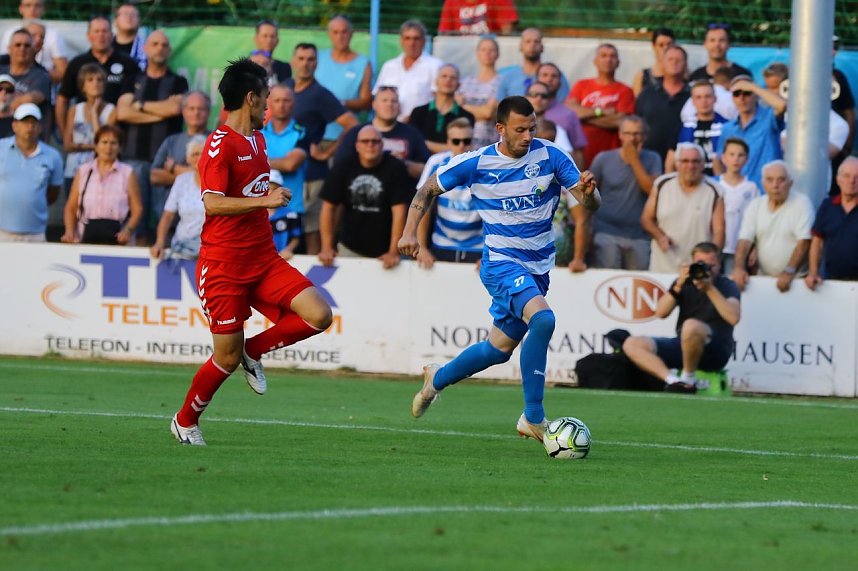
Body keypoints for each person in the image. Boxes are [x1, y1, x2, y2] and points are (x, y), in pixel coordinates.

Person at [397, 95, 600, 444]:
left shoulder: (551, 156)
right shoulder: (477, 162)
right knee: (544, 319)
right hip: (501, 262)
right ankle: (533, 417)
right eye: (520, 129)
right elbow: (428, 188)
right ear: (501, 129)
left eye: (532, 128)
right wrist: (408, 231)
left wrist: (589, 193)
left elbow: (589, 204)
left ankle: (437, 378)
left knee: (497, 349)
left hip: (538, 266)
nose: (527, 136)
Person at [170, 58, 333, 446]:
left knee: (319, 314)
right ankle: (185, 420)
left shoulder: (257, 140)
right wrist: (264, 202)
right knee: (225, 358)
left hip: (262, 258)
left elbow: (253, 192)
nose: (269, 106)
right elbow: (211, 203)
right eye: (265, 99)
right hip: (223, 265)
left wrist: (268, 196)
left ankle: (254, 351)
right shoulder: (217, 146)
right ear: (250, 98)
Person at [622, 241, 741, 393]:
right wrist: (678, 284)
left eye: (711, 266)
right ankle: (674, 381)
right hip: (683, 345)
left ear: (719, 265)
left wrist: (709, 288)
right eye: (701, 264)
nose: (706, 270)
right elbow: (660, 313)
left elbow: (733, 318)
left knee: (691, 326)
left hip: (715, 350)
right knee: (632, 343)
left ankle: (688, 379)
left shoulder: (726, 285)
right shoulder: (684, 283)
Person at [116, 30, 188, 242]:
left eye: (164, 45)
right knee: (136, 217)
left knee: (166, 216)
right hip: (133, 157)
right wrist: (160, 113)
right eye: (154, 44)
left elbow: (175, 109)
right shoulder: (132, 80)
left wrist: (140, 106)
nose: (159, 48)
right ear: (145, 49)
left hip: (166, 161)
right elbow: (122, 113)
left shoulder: (178, 81)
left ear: (169, 51)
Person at [287, 42, 358, 255]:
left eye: (310, 59)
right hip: (283, 174)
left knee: (311, 235)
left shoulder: (320, 94)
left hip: (311, 175)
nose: (305, 64)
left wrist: (328, 152)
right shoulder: (284, 88)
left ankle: (313, 285)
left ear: (316, 63)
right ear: (293, 60)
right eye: (301, 59)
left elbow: (352, 124)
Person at [318, 125, 411, 269]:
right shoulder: (343, 166)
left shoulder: (396, 168)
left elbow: (400, 213)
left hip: (387, 251)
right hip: (350, 248)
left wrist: (393, 252)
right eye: (365, 141)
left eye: (375, 141)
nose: (370, 145)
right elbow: (328, 207)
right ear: (357, 146)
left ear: (382, 145)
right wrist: (326, 247)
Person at [589, 115, 662, 270]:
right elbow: (590, 194)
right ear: (620, 135)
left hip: (639, 235)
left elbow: (651, 190)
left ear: (645, 136)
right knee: (606, 279)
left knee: (638, 282)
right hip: (606, 231)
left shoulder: (653, 159)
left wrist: (634, 161)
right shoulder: (603, 159)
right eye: (628, 133)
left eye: (637, 134)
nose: (632, 138)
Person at [731, 160, 813, 293]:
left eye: (781, 180)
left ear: (790, 183)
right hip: (763, 278)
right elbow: (744, 240)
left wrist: (789, 271)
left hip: (796, 280)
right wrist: (739, 268)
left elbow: (804, 241)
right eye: (770, 180)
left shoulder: (801, 203)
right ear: (763, 183)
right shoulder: (755, 205)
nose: (775, 185)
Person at [642, 143, 725, 273]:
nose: (690, 166)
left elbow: (719, 230)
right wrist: (659, 236)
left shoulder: (715, 190)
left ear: (703, 164)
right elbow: (646, 219)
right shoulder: (662, 184)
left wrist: (712, 261)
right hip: (663, 264)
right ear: (677, 163)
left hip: (698, 267)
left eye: (695, 161)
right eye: (685, 161)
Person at [413, 117, 481, 268]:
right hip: (442, 245)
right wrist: (422, 247)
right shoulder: (436, 163)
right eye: (456, 141)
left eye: (467, 140)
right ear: (448, 142)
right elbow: (423, 203)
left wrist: (492, 254)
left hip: (479, 249)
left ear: (473, 141)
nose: (462, 145)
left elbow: (495, 210)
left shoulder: (484, 165)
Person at [61, 124, 142, 245]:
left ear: (120, 148)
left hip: (119, 240)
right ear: (96, 146)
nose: (108, 147)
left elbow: (137, 209)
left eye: (113, 143)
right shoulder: (83, 171)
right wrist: (69, 232)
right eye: (104, 142)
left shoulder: (127, 173)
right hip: (85, 238)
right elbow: (71, 207)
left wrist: (127, 231)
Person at [55, 15, 137, 134]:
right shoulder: (77, 64)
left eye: (104, 31)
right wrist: (64, 133)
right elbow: (62, 99)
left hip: (119, 135)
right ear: (89, 36)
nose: (101, 35)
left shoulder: (128, 63)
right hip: (83, 134)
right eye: (96, 31)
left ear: (111, 35)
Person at [333, 85, 431, 182]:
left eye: (394, 101)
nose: (389, 104)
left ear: (399, 106)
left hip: (400, 192)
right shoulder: (357, 133)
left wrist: (403, 164)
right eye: (384, 100)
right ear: (374, 105)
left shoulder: (412, 134)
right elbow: (339, 167)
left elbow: (428, 170)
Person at [0, 103, 62, 242]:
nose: (30, 126)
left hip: (36, 234)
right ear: (14, 125)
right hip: (1, 232)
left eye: (33, 122)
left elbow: (52, 194)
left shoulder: (53, 156)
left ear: (40, 127)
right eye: (25, 122)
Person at [566, 43, 635, 167]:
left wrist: (584, 117)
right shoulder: (581, 85)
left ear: (618, 62)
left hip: (612, 158)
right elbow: (571, 112)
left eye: (612, 56)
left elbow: (620, 121)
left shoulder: (625, 91)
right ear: (595, 61)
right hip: (581, 155)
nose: (608, 59)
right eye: (603, 55)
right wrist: (601, 112)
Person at [61, 63, 116, 219]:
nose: (96, 83)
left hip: (100, 170)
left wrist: (93, 116)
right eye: (90, 80)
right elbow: (67, 144)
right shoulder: (74, 110)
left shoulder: (111, 110)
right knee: (72, 210)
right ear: (83, 86)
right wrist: (93, 146)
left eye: (99, 80)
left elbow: (105, 140)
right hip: (73, 169)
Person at [262, 84, 309, 259]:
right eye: (277, 100)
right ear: (269, 103)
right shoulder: (258, 133)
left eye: (286, 100)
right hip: (261, 210)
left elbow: (291, 164)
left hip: (292, 209)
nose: (282, 105)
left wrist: (260, 162)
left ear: (293, 103)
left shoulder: (301, 132)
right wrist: (279, 162)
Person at [717, 75, 786, 189]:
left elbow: (782, 105)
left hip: (766, 190)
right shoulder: (727, 128)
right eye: (737, 94)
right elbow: (720, 159)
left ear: (755, 96)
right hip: (737, 190)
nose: (742, 98)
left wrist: (753, 87)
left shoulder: (768, 119)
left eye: (747, 93)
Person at [316, 15, 372, 144]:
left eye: (344, 32)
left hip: (345, 136)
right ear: (329, 34)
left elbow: (367, 102)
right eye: (335, 32)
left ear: (351, 33)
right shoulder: (317, 57)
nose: (340, 36)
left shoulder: (363, 63)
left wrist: (340, 103)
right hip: (314, 134)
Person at [373, 20, 443, 122]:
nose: (412, 43)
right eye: (407, 38)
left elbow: (441, 100)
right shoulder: (389, 66)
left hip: (422, 124)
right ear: (401, 41)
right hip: (389, 124)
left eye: (416, 39)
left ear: (424, 41)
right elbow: (378, 96)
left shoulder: (436, 66)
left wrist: (415, 117)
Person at [150, 137, 207, 261]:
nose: (199, 158)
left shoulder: (221, 181)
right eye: (195, 154)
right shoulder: (182, 181)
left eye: (203, 153)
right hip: (183, 247)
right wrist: (159, 242)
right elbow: (167, 215)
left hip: (212, 248)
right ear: (188, 159)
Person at [806, 157, 858, 288]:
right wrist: (813, 271)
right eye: (847, 176)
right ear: (838, 179)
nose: (852, 181)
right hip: (829, 280)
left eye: (857, 177)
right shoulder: (827, 206)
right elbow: (816, 241)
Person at [150, 91, 211, 200]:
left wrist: (175, 168)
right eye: (191, 109)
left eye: (200, 109)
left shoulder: (217, 140)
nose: (196, 113)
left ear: (208, 112)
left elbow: (212, 177)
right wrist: (195, 175)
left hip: (203, 208)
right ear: (184, 112)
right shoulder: (171, 141)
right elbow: (154, 176)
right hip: (170, 208)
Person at [635, 45, 690, 164]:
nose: (674, 63)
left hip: (683, 162)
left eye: (678, 60)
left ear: (685, 65)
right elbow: (637, 122)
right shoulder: (647, 94)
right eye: (670, 59)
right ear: (662, 64)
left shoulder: (693, 96)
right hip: (648, 160)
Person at [409, 63, 474, 154]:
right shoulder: (418, 112)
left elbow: (462, 149)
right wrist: (448, 148)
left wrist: (425, 143)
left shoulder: (467, 116)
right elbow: (411, 143)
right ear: (436, 82)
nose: (448, 80)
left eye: (453, 77)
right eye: (444, 76)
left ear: (458, 85)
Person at [665, 79, 726, 176]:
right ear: (692, 101)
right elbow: (670, 162)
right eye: (699, 97)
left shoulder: (727, 127)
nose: (704, 101)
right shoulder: (682, 127)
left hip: (718, 180)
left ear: (715, 98)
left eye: (708, 96)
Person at [716, 137, 759, 274]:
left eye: (740, 155)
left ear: (746, 159)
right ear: (723, 157)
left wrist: (755, 247)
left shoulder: (752, 187)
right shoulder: (715, 185)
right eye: (732, 154)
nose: (736, 159)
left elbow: (757, 220)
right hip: (717, 247)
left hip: (739, 247)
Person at [0, 0, 68, 85]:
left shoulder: (54, 35)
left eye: (37, 5)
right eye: (28, 5)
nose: (32, 9)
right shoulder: (9, 34)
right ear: (20, 8)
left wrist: (36, 75)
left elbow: (63, 72)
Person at [0, 28, 51, 134]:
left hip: (24, 133)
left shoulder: (41, 76)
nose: (22, 48)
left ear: (33, 50)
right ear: (9, 48)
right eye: (18, 45)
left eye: (27, 46)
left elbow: (32, 98)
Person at [496, 28, 569, 102]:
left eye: (536, 41)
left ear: (542, 47)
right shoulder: (508, 77)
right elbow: (499, 107)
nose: (532, 45)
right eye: (528, 41)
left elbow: (563, 105)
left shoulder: (555, 75)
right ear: (520, 46)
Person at [455, 36, 500, 149]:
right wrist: (481, 110)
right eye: (483, 49)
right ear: (477, 53)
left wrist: (463, 105)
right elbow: (455, 111)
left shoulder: (502, 82)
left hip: (490, 145)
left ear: (497, 54)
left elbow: (488, 113)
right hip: (463, 145)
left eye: (491, 50)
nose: (487, 53)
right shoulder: (465, 82)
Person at [538, 62, 587, 164]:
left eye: (554, 76)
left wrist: (580, 178)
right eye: (545, 75)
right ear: (536, 79)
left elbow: (578, 152)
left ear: (560, 83)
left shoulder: (569, 114)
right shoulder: (524, 110)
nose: (549, 79)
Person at [525, 81, 579, 163]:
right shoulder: (512, 127)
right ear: (525, 97)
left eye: (544, 96)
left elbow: (568, 159)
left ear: (549, 101)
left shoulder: (557, 129)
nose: (539, 98)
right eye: (533, 94)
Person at [631, 28, 675, 96]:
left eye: (669, 44)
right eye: (661, 45)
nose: (665, 48)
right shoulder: (642, 76)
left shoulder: (683, 74)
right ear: (654, 47)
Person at [437, 0, 519, 35]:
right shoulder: (451, 2)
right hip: (462, 50)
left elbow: (508, 31)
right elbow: (445, 34)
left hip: (490, 52)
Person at [252, 20, 291, 85]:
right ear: (256, 38)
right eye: (265, 36)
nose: (269, 40)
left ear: (277, 40)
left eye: (272, 36)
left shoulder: (284, 68)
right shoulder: (243, 66)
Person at [112, 3, 147, 70]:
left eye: (133, 14)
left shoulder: (148, 49)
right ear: (115, 21)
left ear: (140, 22)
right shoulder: (105, 47)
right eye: (125, 14)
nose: (129, 17)